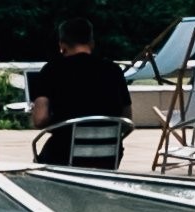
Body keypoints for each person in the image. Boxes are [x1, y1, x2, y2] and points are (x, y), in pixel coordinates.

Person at [27, 14, 134, 159]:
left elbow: (40, 119)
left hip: (64, 154)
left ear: (62, 46)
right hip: (108, 154)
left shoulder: (51, 70)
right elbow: (127, 118)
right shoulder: (113, 70)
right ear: (92, 42)